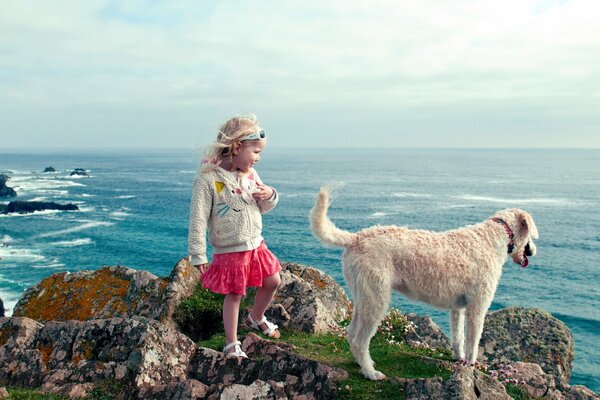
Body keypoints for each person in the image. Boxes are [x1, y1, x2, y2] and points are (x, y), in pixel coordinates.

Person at [188, 113, 282, 358]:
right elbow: (197, 218)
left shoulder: (250, 174)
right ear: (237, 147)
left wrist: (270, 194)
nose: (258, 159)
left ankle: (256, 317)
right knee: (235, 294)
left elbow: (264, 205)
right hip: (231, 248)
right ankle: (231, 343)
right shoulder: (207, 178)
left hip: (256, 244)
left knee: (273, 281)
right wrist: (198, 254)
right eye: (256, 152)